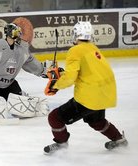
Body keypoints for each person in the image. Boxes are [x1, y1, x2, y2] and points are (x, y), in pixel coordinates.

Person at [43, 21, 128, 154]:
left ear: (75, 34)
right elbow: (85, 72)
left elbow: (71, 78)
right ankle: (119, 139)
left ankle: (61, 143)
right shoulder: (93, 48)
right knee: (96, 121)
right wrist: (62, 75)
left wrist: (55, 85)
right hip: (105, 93)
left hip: (89, 97)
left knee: (55, 117)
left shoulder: (75, 50)